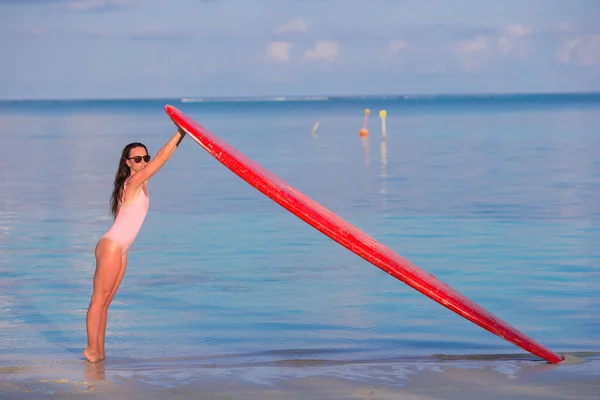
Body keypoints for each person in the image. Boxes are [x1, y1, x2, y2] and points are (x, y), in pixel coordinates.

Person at [84, 128, 186, 363]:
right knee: (99, 299)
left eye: (145, 158)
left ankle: (99, 353)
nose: (143, 162)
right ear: (128, 163)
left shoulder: (137, 184)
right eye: (137, 159)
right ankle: (91, 349)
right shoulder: (133, 182)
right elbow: (162, 158)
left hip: (122, 249)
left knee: (106, 302)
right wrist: (181, 133)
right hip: (111, 247)